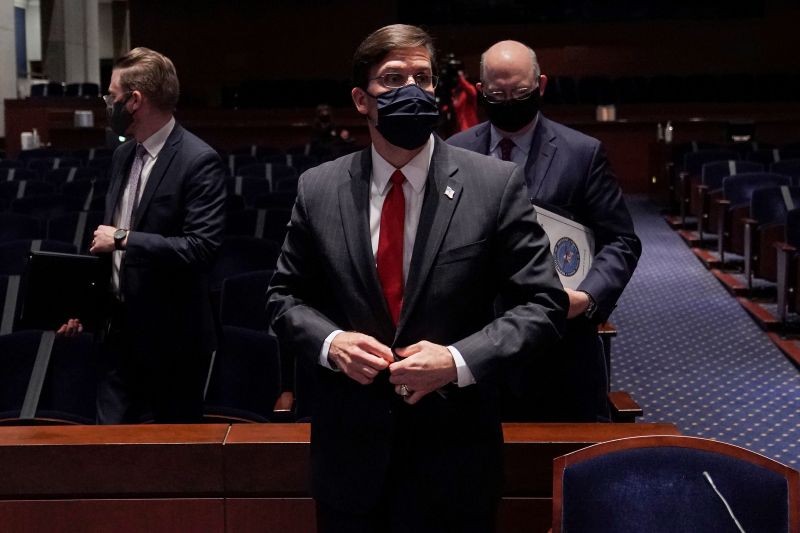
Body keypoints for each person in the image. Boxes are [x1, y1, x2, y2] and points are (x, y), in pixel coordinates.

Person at [266, 24, 567, 533]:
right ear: (362, 100)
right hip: (352, 463)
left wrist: (456, 361)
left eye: (422, 77)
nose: (411, 89)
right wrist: (332, 343)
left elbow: (544, 303)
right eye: (393, 78)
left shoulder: (492, 184)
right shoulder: (319, 188)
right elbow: (283, 297)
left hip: (455, 459)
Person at [448, 40, 642, 421]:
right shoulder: (453, 151)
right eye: (496, 93)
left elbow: (621, 241)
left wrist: (588, 296)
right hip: (476, 341)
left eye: (519, 92)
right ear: (480, 89)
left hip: (560, 344)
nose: (508, 101)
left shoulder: (582, 153)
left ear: (541, 85)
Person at [58, 47, 227, 424]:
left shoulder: (198, 160)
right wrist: (85, 306)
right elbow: (108, 251)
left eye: (111, 96)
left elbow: (201, 248)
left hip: (173, 340)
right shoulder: (123, 155)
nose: (107, 104)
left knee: (168, 460)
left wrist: (123, 237)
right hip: (116, 333)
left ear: (134, 101)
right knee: (109, 450)